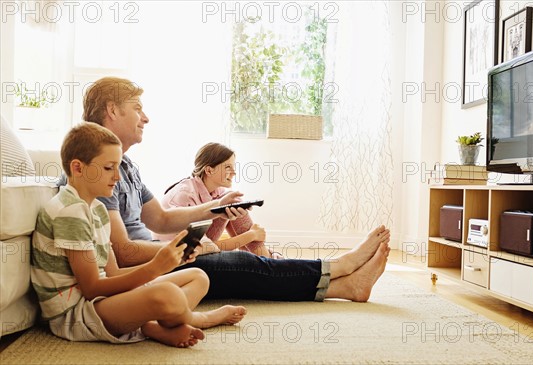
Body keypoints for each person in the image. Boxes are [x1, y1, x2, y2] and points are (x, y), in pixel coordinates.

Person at [77, 76, 391, 302]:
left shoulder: (127, 166)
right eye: (137, 108)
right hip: (149, 266)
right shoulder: (98, 169)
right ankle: (342, 271)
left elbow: (160, 219)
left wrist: (217, 208)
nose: (146, 117)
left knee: (244, 266)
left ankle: (345, 285)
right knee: (241, 266)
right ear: (113, 111)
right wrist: (186, 250)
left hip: (162, 257)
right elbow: (124, 251)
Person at [32, 122, 247, 348]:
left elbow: (113, 273)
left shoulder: (97, 209)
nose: (117, 177)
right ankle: (198, 319)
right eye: (108, 168)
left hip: (102, 299)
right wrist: (154, 268)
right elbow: (91, 288)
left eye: (118, 168)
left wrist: (166, 262)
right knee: (167, 294)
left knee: (198, 276)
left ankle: (151, 326)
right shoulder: (70, 213)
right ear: (77, 168)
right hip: (78, 312)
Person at [156, 142, 281, 259]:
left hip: (201, 246)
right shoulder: (185, 195)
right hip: (181, 256)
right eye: (228, 167)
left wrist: (249, 237)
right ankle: (269, 264)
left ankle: (265, 260)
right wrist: (252, 235)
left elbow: (235, 231)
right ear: (209, 170)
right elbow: (205, 248)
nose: (234, 173)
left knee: (234, 203)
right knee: (232, 206)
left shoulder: (216, 191)